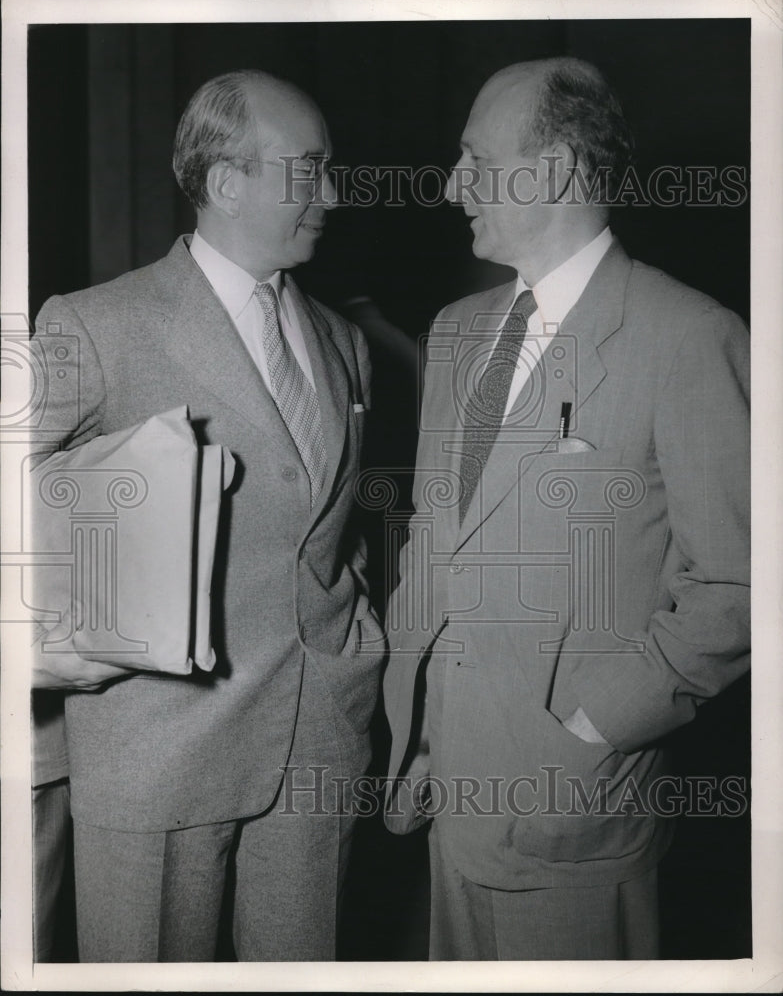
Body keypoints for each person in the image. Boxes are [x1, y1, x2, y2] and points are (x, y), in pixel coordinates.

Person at [382, 57, 750, 960]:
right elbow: (439, 540)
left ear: (547, 171)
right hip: (446, 787)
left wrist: (588, 732)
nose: (450, 183)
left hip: (576, 807)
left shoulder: (688, 336)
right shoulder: (456, 331)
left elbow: (739, 590)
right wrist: (419, 722)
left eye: (473, 159)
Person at [32, 69, 385, 962]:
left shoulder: (346, 342)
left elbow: (329, 532)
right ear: (227, 182)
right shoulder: (95, 326)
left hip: (318, 746)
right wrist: (52, 649)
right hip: (156, 750)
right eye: (308, 171)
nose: (333, 195)